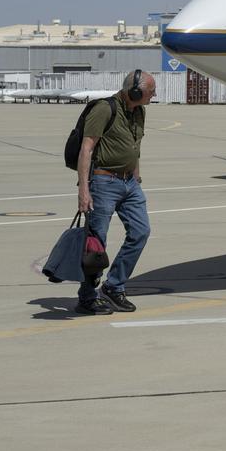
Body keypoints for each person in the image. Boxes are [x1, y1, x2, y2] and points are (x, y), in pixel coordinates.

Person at [74, 70, 155, 314]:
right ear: (136, 92)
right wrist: (84, 190)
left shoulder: (139, 112)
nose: (154, 95)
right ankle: (86, 297)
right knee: (96, 243)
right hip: (103, 183)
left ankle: (113, 286)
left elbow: (135, 146)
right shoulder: (104, 109)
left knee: (141, 232)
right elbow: (87, 149)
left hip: (129, 183)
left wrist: (136, 176)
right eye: (151, 91)